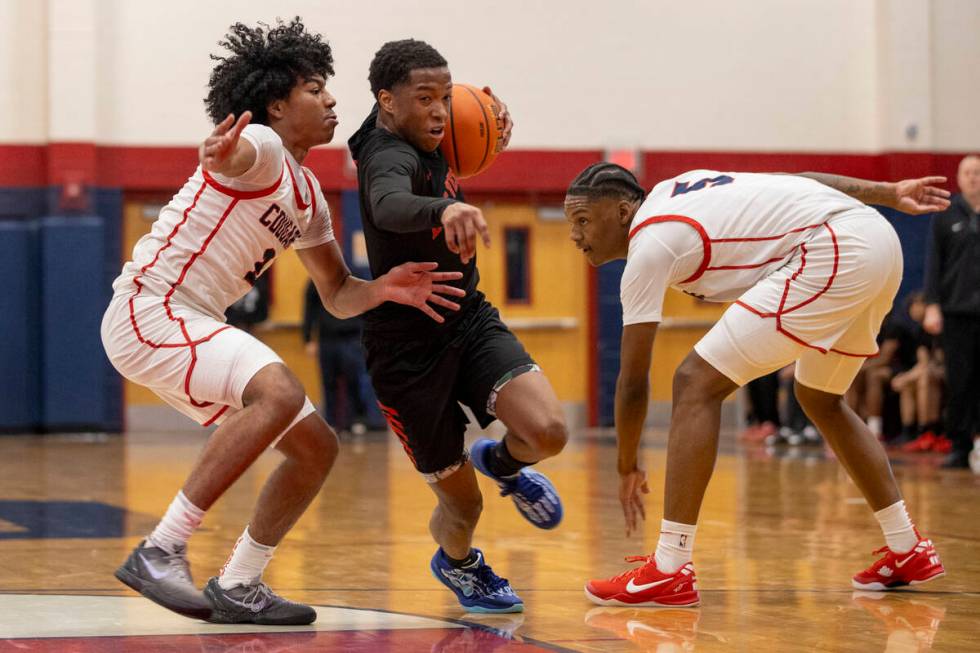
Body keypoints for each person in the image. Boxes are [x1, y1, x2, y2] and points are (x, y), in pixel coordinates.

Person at [100, 19, 464, 625]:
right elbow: (237, 153)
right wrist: (219, 153)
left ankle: (239, 582)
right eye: (315, 88)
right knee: (278, 390)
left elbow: (338, 294)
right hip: (151, 308)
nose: (331, 100)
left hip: (187, 324)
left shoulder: (311, 199)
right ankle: (160, 549)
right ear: (275, 105)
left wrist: (386, 289)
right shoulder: (263, 147)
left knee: (315, 446)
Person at [563, 163, 951, 607]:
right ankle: (907, 546)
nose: (574, 234)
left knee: (693, 382)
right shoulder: (677, 190)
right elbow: (802, 178)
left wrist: (627, 463)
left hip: (834, 248)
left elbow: (632, 383)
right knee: (820, 398)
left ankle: (669, 568)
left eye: (583, 220)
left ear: (622, 210)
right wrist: (886, 191)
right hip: (879, 239)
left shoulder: (650, 245)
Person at [347, 39, 567, 613]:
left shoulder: (430, 128)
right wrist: (442, 208)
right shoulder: (384, 154)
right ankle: (460, 564)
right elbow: (390, 201)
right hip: (406, 355)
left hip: (466, 319)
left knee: (548, 432)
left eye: (445, 96)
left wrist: (489, 121)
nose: (441, 111)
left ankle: (502, 461)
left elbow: (467, 125)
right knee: (464, 510)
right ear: (386, 102)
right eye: (425, 99)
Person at [923, 154, 980, 470]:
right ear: (959, 178)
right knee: (959, 380)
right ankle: (958, 445)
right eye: (968, 172)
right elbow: (934, 264)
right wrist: (933, 305)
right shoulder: (946, 215)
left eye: (977, 172)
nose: (973, 177)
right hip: (956, 311)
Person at [302, 278, 369, 434]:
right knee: (328, 381)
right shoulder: (314, 281)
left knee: (354, 380)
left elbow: (365, 307)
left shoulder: (354, 277)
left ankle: (356, 420)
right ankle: (331, 422)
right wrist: (307, 339)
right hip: (327, 338)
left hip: (352, 338)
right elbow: (309, 310)